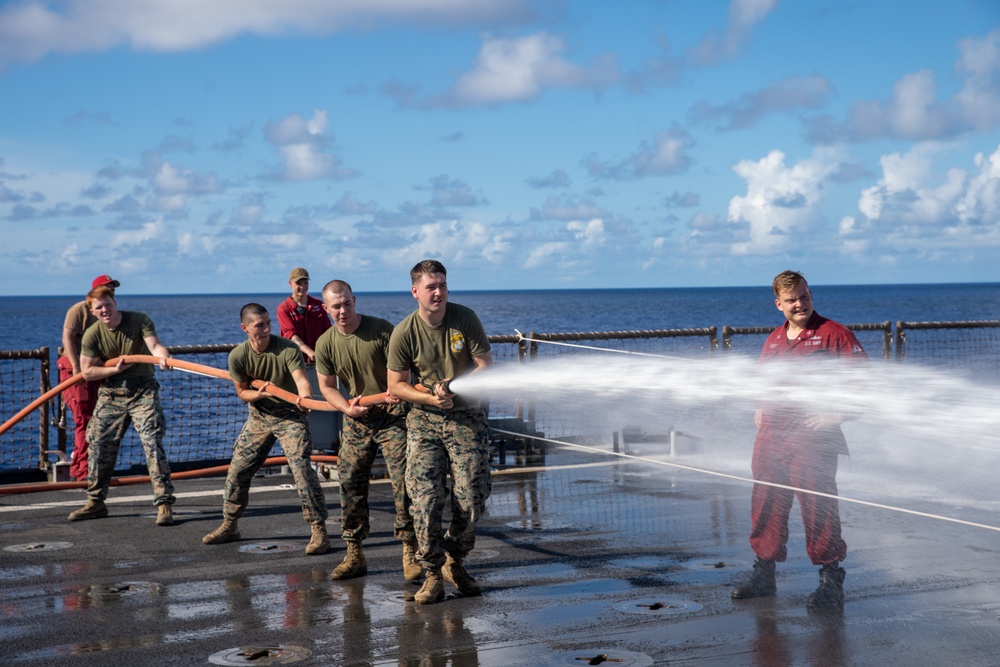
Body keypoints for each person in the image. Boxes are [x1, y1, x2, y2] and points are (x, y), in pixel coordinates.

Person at [732, 270, 867, 610]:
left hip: (812, 440)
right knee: (764, 504)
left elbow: (868, 383)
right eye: (791, 300)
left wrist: (835, 415)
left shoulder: (834, 334)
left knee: (818, 508)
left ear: (811, 295)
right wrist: (758, 407)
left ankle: (830, 580)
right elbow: (762, 383)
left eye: (804, 296)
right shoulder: (774, 340)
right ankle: (764, 574)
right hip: (772, 439)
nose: (799, 304)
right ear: (778, 304)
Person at [386, 260, 493, 604]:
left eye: (443, 285)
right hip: (424, 422)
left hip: (467, 417)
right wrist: (431, 397)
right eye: (431, 287)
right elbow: (396, 386)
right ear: (415, 291)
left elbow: (485, 367)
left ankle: (454, 561)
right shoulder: (404, 332)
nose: (438, 292)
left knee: (472, 495)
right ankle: (432, 574)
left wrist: (455, 391)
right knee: (425, 498)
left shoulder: (465, 318)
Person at [201, 303, 330, 555]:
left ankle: (319, 530)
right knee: (238, 469)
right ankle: (230, 524)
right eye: (260, 325)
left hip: (291, 416)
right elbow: (242, 392)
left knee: (301, 469)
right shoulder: (238, 356)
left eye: (268, 323)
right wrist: (257, 395)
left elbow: (302, 381)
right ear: (245, 328)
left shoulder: (287, 349)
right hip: (260, 416)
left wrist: (303, 399)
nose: (266, 329)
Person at [314, 280, 420, 582]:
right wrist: (347, 408)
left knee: (404, 483)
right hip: (357, 419)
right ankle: (354, 553)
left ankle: (409, 550)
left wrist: (392, 392)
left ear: (354, 301)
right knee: (349, 482)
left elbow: (401, 374)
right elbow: (326, 387)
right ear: (326, 308)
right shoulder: (326, 343)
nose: (343, 310)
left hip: (393, 416)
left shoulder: (381, 330)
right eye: (336, 306)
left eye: (347, 303)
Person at [68, 284, 176, 525]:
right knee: (97, 441)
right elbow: (87, 371)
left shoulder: (139, 320)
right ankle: (96, 502)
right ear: (92, 311)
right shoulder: (92, 334)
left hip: (142, 389)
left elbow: (155, 346)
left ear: (115, 303)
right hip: (111, 391)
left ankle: (164, 503)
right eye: (99, 308)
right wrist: (112, 368)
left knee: (151, 440)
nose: (105, 310)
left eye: (108, 304)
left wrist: (163, 358)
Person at [58, 274, 119, 480]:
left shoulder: (108, 312)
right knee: (84, 419)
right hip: (77, 368)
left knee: (98, 419)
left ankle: (91, 467)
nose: (109, 291)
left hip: (95, 368)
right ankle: (83, 471)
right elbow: (67, 336)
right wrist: (76, 367)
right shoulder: (79, 310)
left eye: (111, 289)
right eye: (106, 288)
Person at [277, 267, 331, 364]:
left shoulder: (318, 304)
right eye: (298, 283)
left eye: (305, 283)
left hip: (319, 360)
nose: (302, 287)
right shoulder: (284, 308)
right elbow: (291, 336)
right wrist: (309, 352)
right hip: (295, 362)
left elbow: (328, 333)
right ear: (290, 284)